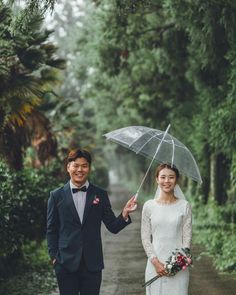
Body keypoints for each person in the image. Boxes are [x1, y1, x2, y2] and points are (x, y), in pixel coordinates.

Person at [46, 148, 137, 295]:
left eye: (84, 165)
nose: (80, 169)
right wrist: (54, 257)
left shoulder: (99, 194)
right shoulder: (56, 196)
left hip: (92, 264)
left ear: (89, 168)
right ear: (68, 167)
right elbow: (51, 229)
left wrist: (124, 213)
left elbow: (113, 226)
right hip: (65, 264)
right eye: (76, 165)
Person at [141, 163, 192, 295]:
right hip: (154, 264)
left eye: (171, 177)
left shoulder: (184, 206)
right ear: (157, 179)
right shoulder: (149, 206)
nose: (167, 181)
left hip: (178, 266)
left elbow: (187, 238)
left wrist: (180, 262)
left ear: (176, 180)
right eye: (163, 177)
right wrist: (155, 262)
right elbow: (145, 238)